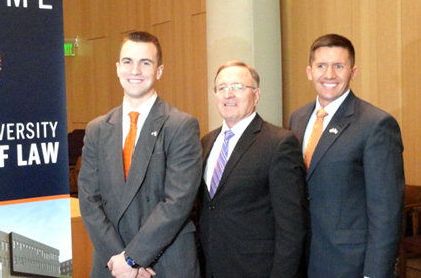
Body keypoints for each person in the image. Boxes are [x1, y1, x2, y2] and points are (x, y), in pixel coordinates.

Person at [78, 31, 202, 278]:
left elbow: (177, 203)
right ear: (117, 69)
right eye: (128, 62)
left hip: (164, 263)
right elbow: (89, 201)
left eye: (145, 63)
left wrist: (134, 258)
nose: (135, 70)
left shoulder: (181, 125)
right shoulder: (97, 129)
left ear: (159, 71)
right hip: (111, 264)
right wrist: (122, 261)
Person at [289, 33, 405, 278]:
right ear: (309, 71)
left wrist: (375, 273)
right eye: (321, 65)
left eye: (339, 66)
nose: (329, 75)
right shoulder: (297, 119)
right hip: (303, 258)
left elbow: (386, 211)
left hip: (350, 264)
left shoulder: (376, 124)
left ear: (353, 72)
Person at [198, 60, 307, 277]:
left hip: (256, 270)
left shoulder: (279, 143)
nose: (229, 94)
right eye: (222, 88)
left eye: (238, 87)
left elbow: (291, 228)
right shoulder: (206, 142)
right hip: (210, 268)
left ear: (256, 95)